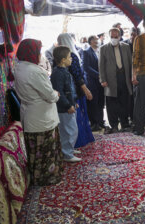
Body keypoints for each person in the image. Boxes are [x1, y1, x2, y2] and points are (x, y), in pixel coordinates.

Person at [14, 38, 63, 185]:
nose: (40, 54)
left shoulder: (19, 67)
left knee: (35, 150)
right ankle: (47, 178)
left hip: (30, 115)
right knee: (45, 149)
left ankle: (37, 177)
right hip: (42, 117)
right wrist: (56, 94)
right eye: (38, 51)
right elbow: (49, 95)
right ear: (32, 52)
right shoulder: (34, 71)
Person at [57, 33, 95, 148]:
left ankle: (75, 141)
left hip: (69, 90)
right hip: (75, 91)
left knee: (74, 117)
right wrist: (86, 90)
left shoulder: (60, 56)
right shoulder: (71, 55)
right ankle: (78, 141)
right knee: (77, 116)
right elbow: (77, 75)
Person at [99, 28, 133, 133]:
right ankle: (113, 125)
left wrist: (133, 77)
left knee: (124, 102)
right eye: (112, 37)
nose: (114, 39)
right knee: (111, 103)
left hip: (124, 78)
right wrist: (103, 79)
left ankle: (125, 124)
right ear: (109, 37)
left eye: (116, 37)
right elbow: (101, 65)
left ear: (119, 36)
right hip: (110, 79)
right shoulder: (103, 48)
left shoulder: (126, 47)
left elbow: (131, 63)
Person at [51, 46, 81, 162]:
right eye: (69, 57)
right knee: (69, 131)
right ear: (63, 60)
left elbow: (70, 90)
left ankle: (69, 149)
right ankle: (67, 154)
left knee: (70, 129)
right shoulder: (58, 73)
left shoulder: (64, 71)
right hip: (64, 108)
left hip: (69, 105)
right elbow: (60, 93)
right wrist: (68, 105)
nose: (71, 59)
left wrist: (74, 102)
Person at [83, 35, 106, 131]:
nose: (97, 41)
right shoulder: (86, 52)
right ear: (91, 41)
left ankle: (101, 122)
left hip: (102, 82)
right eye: (95, 40)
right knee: (93, 103)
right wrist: (99, 75)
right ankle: (94, 123)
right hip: (92, 81)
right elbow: (86, 67)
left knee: (101, 102)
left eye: (97, 39)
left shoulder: (101, 50)